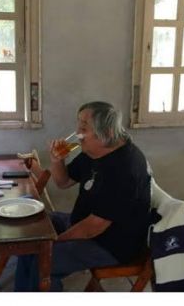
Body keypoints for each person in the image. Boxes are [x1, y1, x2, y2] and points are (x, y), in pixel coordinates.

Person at [14, 101, 151, 291]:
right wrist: (57, 159)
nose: (77, 132)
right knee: (31, 233)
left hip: (111, 243)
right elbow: (63, 182)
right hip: (82, 223)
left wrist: (53, 243)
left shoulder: (125, 168)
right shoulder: (93, 151)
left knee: (42, 259)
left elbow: (93, 228)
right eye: (78, 124)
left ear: (108, 132)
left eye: (84, 127)